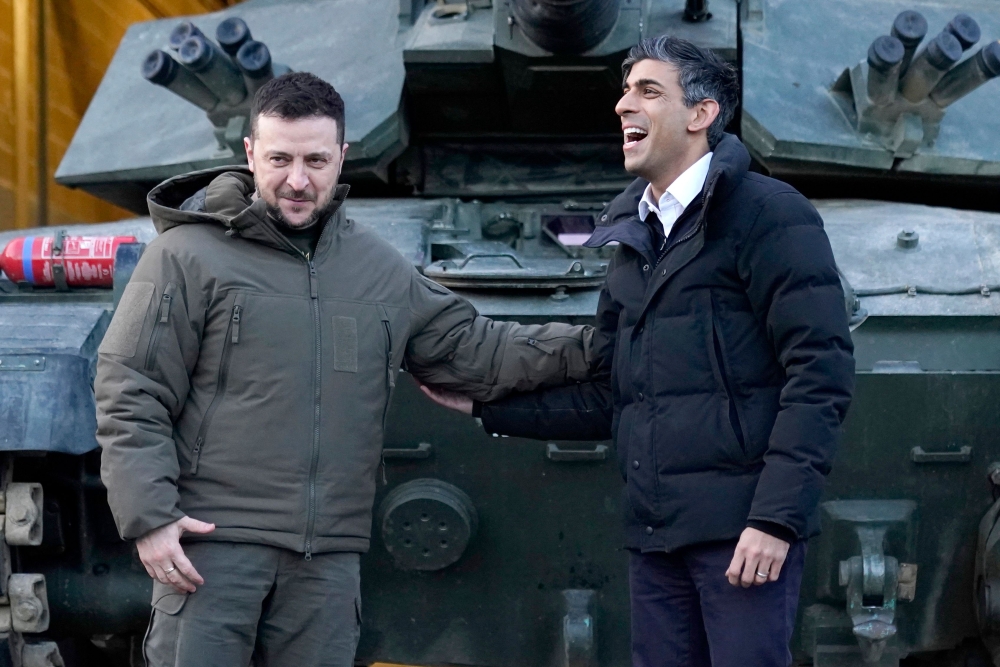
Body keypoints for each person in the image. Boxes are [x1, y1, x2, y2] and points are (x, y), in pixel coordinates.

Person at [94, 71, 594, 667]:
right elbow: (132, 388)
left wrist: (600, 344)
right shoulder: (184, 257)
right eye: (279, 158)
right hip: (212, 549)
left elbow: (476, 349)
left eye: (316, 160)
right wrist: (150, 518)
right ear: (250, 152)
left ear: (342, 158)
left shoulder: (376, 268)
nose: (298, 181)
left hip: (325, 563)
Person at [421, 36, 856, 667]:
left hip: (742, 533)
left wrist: (776, 519)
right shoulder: (634, 235)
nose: (625, 105)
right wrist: (487, 409)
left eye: (648, 91)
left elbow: (820, 373)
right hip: (657, 535)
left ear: (700, 114)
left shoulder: (768, 214)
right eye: (625, 91)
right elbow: (617, 392)